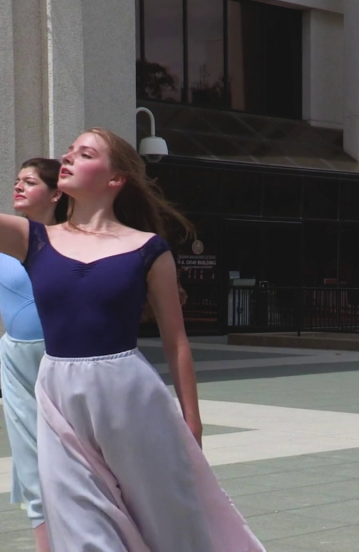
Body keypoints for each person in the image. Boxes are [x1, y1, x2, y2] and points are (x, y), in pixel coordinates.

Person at [0, 129, 264, 551]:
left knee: (170, 526)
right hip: (57, 396)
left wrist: (192, 423)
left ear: (115, 178)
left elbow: (177, 342)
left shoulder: (148, 249)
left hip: (130, 397)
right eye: (68, 152)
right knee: (82, 531)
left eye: (83, 154)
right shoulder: (33, 239)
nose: (67, 158)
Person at [0, 158, 68, 552]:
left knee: (75, 459)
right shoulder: (4, 239)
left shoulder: (69, 240)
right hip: (14, 360)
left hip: (62, 358)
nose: (18, 187)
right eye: (16, 181)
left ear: (56, 193)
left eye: (30, 181)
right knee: (29, 462)